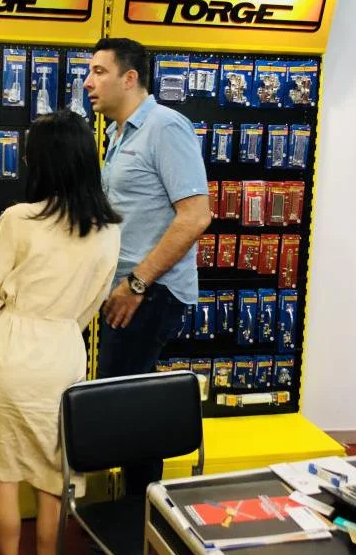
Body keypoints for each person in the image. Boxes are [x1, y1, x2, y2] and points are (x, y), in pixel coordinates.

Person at [0, 110, 122, 555]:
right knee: (55, 477)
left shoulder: (19, 219)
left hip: (11, 346)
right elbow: (95, 299)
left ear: (42, 162)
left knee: (3, 470)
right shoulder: (109, 229)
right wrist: (64, 324)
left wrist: (7, 320)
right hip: (63, 350)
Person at [83, 37, 212, 495]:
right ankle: (135, 507)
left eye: (99, 71)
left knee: (130, 408)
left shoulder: (165, 127)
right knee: (125, 404)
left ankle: (139, 513)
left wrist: (137, 283)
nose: (88, 82)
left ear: (130, 78)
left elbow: (195, 216)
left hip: (149, 292)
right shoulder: (120, 134)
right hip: (128, 289)